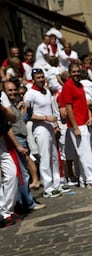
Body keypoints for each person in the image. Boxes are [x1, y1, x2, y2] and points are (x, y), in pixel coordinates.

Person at [24, 68, 69, 198]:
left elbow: (51, 110)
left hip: (50, 127)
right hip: (40, 128)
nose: (41, 79)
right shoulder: (30, 94)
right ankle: (48, 187)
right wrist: (45, 118)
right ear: (33, 79)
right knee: (45, 156)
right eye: (38, 77)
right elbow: (27, 115)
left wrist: (55, 125)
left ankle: (56, 183)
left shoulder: (47, 91)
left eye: (42, 77)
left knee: (54, 156)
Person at [4, 81, 46, 213]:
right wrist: (17, 144)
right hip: (16, 140)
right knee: (22, 174)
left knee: (22, 173)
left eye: (14, 90)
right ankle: (27, 203)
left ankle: (22, 203)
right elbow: (9, 126)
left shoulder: (14, 104)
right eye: (9, 90)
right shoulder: (6, 107)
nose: (13, 92)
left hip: (21, 139)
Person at [61, 63, 92, 189]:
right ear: (69, 72)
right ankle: (91, 180)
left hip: (84, 122)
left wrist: (89, 117)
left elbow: (83, 104)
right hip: (77, 124)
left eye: (78, 71)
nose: (76, 74)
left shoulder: (79, 85)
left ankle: (84, 179)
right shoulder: (68, 86)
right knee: (85, 153)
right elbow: (68, 108)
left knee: (86, 152)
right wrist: (75, 127)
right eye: (73, 72)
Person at [0, 85, 18, 227]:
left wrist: (3, 108)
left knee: (12, 174)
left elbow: (13, 119)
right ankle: (3, 213)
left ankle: (7, 210)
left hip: (2, 139)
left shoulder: (1, 95)